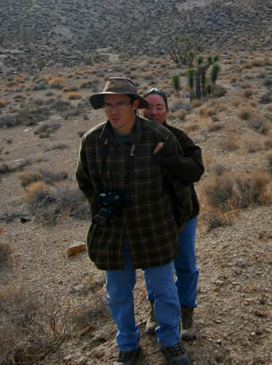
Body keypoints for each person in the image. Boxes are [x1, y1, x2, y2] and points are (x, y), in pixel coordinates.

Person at [76, 77, 194, 365]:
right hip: (113, 232)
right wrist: (103, 207)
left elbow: (179, 185)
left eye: (120, 104)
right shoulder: (92, 141)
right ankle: (128, 344)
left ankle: (170, 340)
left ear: (134, 105)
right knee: (117, 292)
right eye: (108, 105)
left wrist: (177, 221)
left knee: (165, 289)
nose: (113, 111)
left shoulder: (158, 136)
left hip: (153, 227)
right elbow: (85, 181)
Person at [141, 87, 204, 341]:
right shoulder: (131, 139)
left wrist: (171, 157)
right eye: (149, 106)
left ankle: (186, 310)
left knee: (185, 263)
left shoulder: (178, 137)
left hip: (183, 212)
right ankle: (156, 308)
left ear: (167, 110)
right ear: (139, 108)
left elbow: (195, 171)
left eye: (159, 107)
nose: (154, 112)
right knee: (153, 264)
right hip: (149, 216)